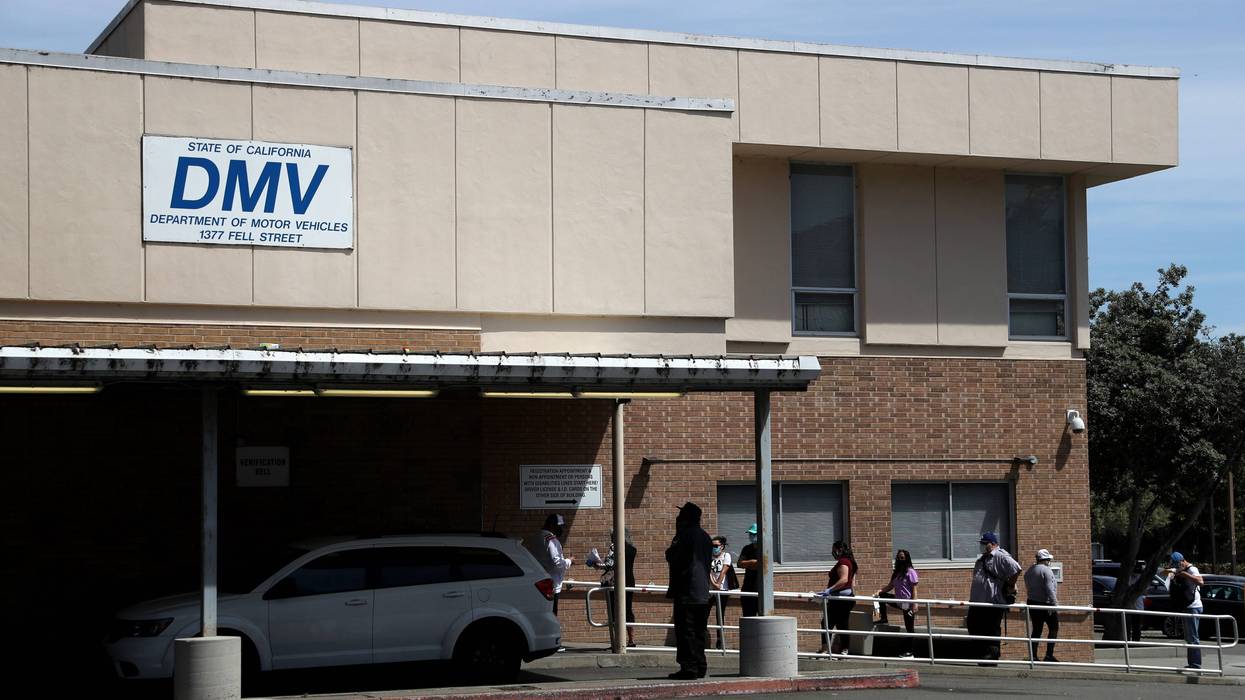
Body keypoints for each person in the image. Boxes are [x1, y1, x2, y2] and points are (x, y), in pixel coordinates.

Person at [665, 501, 713, 680]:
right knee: (699, 631)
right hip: (702, 592)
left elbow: (673, 556)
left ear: (685, 518)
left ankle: (689, 667)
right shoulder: (705, 536)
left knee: (686, 631)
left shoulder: (684, 535)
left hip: (687, 591)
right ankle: (700, 665)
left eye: (680, 515)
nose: (677, 518)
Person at [967, 531, 1021, 661]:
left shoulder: (999, 555)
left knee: (991, 629)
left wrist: (1010, 585)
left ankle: (992, 655)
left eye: (984, 543)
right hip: (977, 602)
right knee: (973, 626)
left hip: (992, 602)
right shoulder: (982, 558)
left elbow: (1016, 568)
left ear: (992, 544)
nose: (982, 546)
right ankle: (981, 652)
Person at [588, 528, 638, 648]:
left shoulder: (614, 547)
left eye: (612, 536)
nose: (611, 538)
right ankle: (631, 639)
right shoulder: (632, 549)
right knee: (628, 610)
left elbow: (609, 565)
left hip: (616, 584)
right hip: (629, 582)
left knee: (615, 611)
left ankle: (618, 641)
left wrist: (595, 563)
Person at [814, 540, 858, 655]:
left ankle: (842, 649)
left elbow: (844, 579)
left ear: (840, 550)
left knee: (836, 623)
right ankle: (828, 648)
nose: (833, 552)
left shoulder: (844, 562)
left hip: (841, 599)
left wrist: (829, 590)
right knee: (830, 623)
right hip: (840, 598)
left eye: (834, 550)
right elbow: (853, 583)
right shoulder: (851, 562)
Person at [1164, 551, 1204, 670]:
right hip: (1186, 606)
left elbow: (1201, 582)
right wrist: (1171, 572)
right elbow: (1163, 573)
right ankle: (1192, 663)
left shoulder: (1192, 569)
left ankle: (1196, 665)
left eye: (1177, 564)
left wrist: (1185, 574)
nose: (1177, 567)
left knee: (1193, 637)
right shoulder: (1179, 569)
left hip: (1193, 607)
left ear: (1182, 561)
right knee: (1189, 637)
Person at [875, 549, 919, 657]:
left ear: (906, 558)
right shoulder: (896, 573)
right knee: (880, 597)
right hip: (897, 600)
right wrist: (879, 591)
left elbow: (914, 589)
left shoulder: (910, 571)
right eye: (899, 557)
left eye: (902, 557)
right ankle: (882, 618)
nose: (900, 559)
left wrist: (914, 604)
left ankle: (910, 651)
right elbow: (890, 586)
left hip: (907, 603)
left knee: (909, 628)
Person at [1023, 548, 1060, 662]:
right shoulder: (1046, 571)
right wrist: (1055, 604)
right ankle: (1049, 655)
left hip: (1032, 602)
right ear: (1046, 559)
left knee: (1037, 629)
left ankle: (1033, 655)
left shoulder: (1030, 570)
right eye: (1049, 559)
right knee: (1054, 628)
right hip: (1046, 603)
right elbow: (1050, 589)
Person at [534, 513, 573, 615]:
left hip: (539, 582)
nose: (561, 530)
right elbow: (557, 564)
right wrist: (569, 561)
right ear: (552, 525)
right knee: (551, 615)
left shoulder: (538, 536)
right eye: (559, 527)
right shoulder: (551, 540)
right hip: (551, 585)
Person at [708, 535, 737, 648]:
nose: (714, 548)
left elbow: (724, 570)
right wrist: (714, 584)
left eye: (716, 546)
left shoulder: (726, 556)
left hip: (723, 590)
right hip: (710, 590)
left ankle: (720, 641)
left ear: (722, 546)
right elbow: (709, 571)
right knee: (704, 613)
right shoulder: (708, 556)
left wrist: (719, 584)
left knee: (720, 615)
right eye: (712, 546)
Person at [737, 523, 760, 618]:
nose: (751, 536)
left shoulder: (765, 548)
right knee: (748, 616)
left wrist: (748, 564)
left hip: (761, 589)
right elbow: (739, 563)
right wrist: (752, 562)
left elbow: (762, 565)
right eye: (750, 534)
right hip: (747, 587)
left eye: (754, 534)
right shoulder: (747, 548)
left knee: (763, 618)